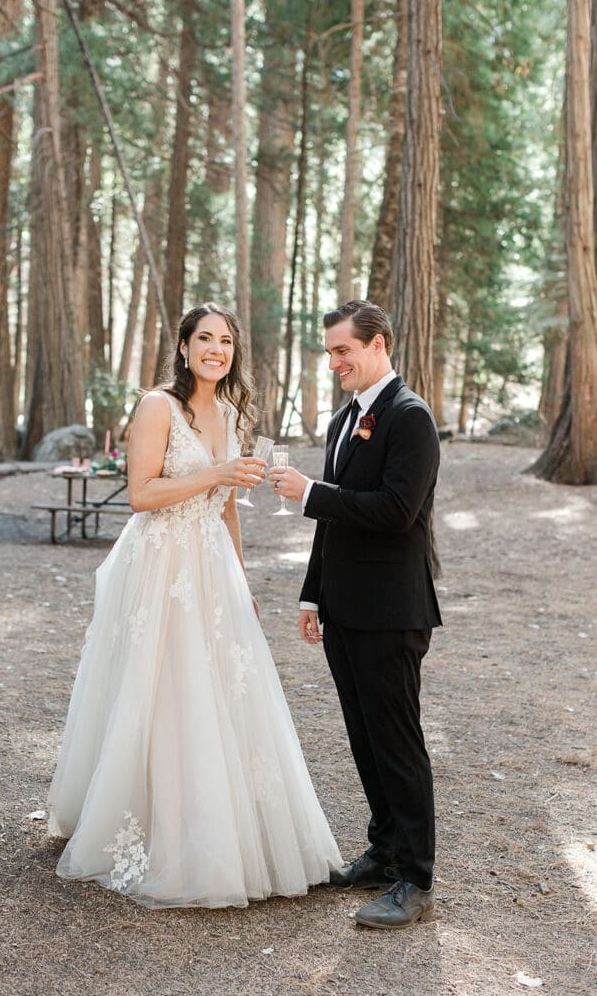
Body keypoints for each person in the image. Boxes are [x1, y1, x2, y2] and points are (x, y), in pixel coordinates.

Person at [48, 301, 342, 908]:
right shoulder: (158, 406)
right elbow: (140, 494)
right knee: (157, 689)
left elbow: (229, 507)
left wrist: (241, 580)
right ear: (183, 348)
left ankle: (221, 827)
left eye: (226, 341)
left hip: (211, 566)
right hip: (160, 568)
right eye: (204, 338)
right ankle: (146, 818)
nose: (216, 349)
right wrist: (217, 474)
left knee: (220, 691)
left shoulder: (232, 413)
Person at [269, 299, 442, 930]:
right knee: (365, 739)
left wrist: (311, 492)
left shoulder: (411, 418)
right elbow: (335, 522)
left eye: (344, 350)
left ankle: (416, 881)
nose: (335, 361)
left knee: (398, 743)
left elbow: (396, 511)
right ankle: (383, 850)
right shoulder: (347, 418)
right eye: (331, 352)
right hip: (344, 609)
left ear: (379, 345)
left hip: (393, 611)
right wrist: (314, 594)